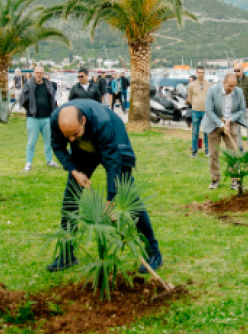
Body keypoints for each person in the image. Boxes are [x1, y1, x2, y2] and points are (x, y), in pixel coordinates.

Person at [47, 99, 163, 272]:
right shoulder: (56, 120)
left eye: (75, 134)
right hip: (84, 151)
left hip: (115, 145)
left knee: (130, 200)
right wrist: (74, 171)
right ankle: (66, 255)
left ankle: (154, 253)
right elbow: (58, 146)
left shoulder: (102, 122)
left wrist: (110, 201)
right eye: (67, 136)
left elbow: (113, 162)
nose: (71, 139)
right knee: (70, 200)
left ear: (83, 120)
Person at [201, 73, 247, 190]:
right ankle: (215, 179)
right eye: (230, 86)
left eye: (234, 86)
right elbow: (209, 111)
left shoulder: (238, 92)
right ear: (224, 83)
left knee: (233, 153)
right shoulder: (212, 90)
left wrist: (230, 120)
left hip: (230, 123)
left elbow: (242, 110)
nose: (232, 89)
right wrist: (221, 124)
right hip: (214, 123)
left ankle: (235, 181)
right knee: (213, 153)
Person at [21, 66, 60, 171]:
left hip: (47, 118)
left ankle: (49, 160)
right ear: (34, 73)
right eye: (37, 72)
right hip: (33, 118)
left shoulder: (48, 85)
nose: (38, 75)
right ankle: (28, 162)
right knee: (31, 142)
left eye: (40, 73)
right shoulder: (28, 85)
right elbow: (23, 100)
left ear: (43, 74)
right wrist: (30, 110)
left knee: (48, 141)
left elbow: (53, 99)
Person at [186, 66, 213, 158]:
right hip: (196, 111)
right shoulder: (191, 85)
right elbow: (190, 98)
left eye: (202, 72)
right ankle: (194, 151)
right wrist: (195, 104)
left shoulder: (209, 84)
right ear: (196, 73)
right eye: (199, 72)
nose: (201, 74)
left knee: (207, 132)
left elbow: (211, 97)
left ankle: (207, 150)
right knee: (195, 132)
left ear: (204, 73)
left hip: (206, 112)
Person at [234, 65, 248, 152]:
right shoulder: (233, 80)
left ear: (243, 70)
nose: (236, 72)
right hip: (236, 109)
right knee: (237, 129)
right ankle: (240, 147)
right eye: (235, 70)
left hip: (246, 108)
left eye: (238, 70)